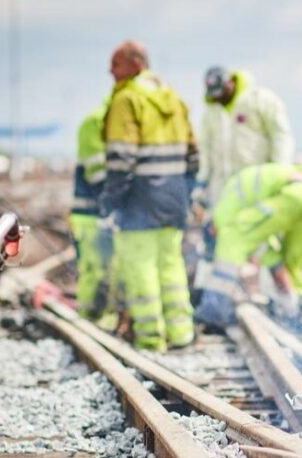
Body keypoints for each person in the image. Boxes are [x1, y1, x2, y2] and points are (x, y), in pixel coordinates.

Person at [99, 40, 197, 352]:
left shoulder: (127, 100)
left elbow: (120, 159)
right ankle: (181, 333)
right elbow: (193, 155)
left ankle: (150, 338)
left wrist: (110, 201)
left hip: (139, 199)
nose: (110, 71)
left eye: (116, 64)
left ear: (135, 65)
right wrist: (185, 191)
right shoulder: (174, 98)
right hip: (173, 197)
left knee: (139, 267)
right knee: (171, 266)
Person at [194, 163, 302, 329]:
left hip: (293, 194)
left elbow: (232, 239)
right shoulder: (251, 218)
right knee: (292, 259)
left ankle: (214, 309)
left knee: (231, 238)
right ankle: (299, 308)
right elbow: (267, 250)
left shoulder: (222, 215)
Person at [196, 67, 295, 209]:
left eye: (222, 92)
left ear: (230, 83)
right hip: (222, 188)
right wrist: (202, 179)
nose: (219, 98)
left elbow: (280, 135)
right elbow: (205, 148)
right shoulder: (211, 113)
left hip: (257, 183)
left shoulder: (259, 100)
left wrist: (279, 171)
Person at [70, 100, 115, 323]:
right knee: (94, 269)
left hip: (103, 212)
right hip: (89, 214)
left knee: (109, 268)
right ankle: (88, 317)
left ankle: (104, 316)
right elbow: (97, 173)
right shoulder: (95, 122)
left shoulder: (111, 121)